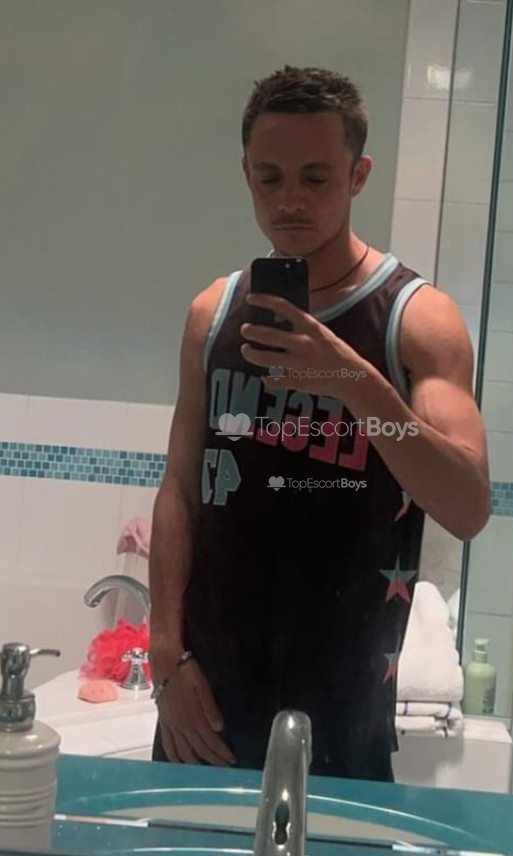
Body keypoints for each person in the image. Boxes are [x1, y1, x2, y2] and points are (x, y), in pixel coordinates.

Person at [148, 65, 490, 782]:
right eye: (269, 178)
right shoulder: (213, 314)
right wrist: (165, 657)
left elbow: (466, 506)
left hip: (343, 717)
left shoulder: (416, 321)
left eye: (315, 177)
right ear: (245, 173)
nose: (290, 201)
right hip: (204, 710)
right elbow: (179, 491)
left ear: (358, 175)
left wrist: (352, 380)